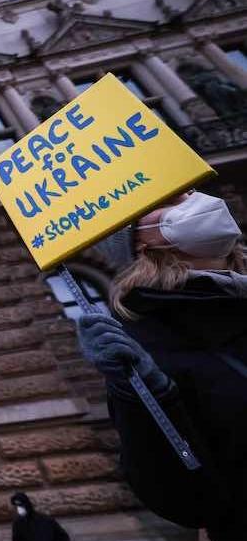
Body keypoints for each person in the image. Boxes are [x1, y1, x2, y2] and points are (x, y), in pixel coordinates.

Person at [76, 190, 246, 539]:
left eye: (187, 189)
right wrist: (144, 396)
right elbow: (186, 497)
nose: (189, 195)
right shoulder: (148, 342)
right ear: (142, 243)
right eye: (166, 202)